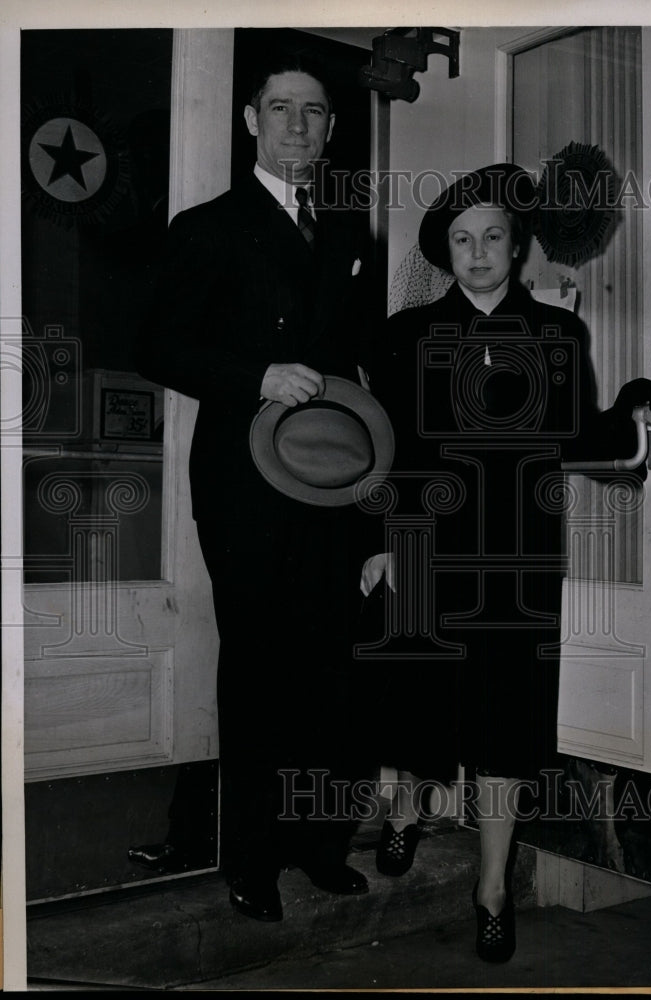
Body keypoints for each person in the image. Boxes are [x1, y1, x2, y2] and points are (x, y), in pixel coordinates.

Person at [360, 163, 651, 962]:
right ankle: (404, 812)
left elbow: (579, 436)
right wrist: (385, 545)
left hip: (520, 557)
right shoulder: (408, 335)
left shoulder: (559, 335)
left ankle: (492, 886)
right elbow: (392, 453)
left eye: (494, 236)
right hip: (428, 546)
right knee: (418, 698)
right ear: (446, 252)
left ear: (517, 244)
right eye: (462, 239)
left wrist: (631, 406)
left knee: (507, 720)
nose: (479, 251)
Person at [131, 51, 381, 923]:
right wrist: (254, 376)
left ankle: (321, 847)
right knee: (263, 671)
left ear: (331, 128)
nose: (298, 127)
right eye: (281, 110)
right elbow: (153, 343)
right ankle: (254, 859)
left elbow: (362, 367)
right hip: (245, 484)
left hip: (333, 481)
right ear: (250, 122)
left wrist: (378, 502)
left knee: (333, 670)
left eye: (313, 113)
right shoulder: (207, 227)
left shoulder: (352, 234)